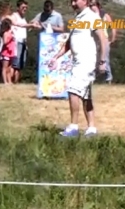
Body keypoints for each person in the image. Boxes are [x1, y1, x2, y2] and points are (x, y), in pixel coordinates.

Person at [49, 0, 108, 137]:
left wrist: (103, 61)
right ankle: (91, 129)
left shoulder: (93, 17)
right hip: (77, 61)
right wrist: (56, 57)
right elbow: (69, 43)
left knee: (73, 90)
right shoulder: (77, 18)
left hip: (86, 61)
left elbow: (103, 39)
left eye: (76, 0)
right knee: (85, 95)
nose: (73, 3)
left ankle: (73, 127)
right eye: (72, 1)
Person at [90, 0, 116, 83]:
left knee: (105, 59)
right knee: (93, 59)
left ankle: (108, 78)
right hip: (93, 40)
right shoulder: (89, 15)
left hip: (104, 40)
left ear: (97, 5)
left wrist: (112, 38)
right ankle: (92, 79)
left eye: (93, 4)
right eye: (90, 5)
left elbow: (113, 27)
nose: (92, 6)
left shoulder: (104, 15)